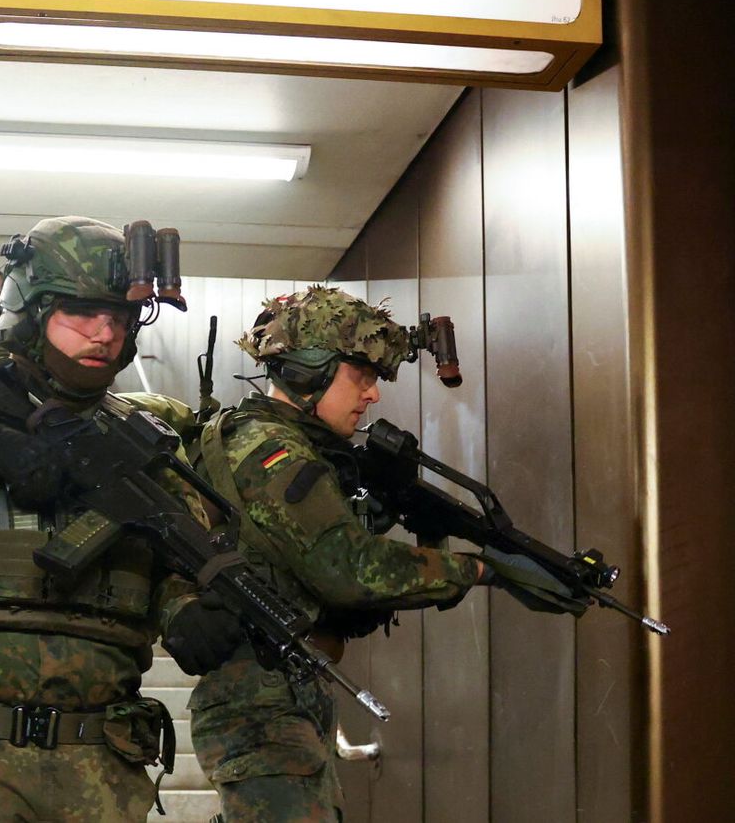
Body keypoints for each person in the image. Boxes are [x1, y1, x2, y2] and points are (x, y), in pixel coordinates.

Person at [172, 285, 580, 822]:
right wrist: (483, 570)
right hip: (263, 705)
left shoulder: (264, 440)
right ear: (308, 370)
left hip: (277, 697)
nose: (373, 395)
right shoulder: (276, 453)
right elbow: (349, 569)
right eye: (360, 377)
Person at [0, 217, 217, 822]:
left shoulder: (144, 442)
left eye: (120, 317)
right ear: (31, 316)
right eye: (83, 313)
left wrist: (189, 610)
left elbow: (174, 555)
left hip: (104, 754)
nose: (105, 332)